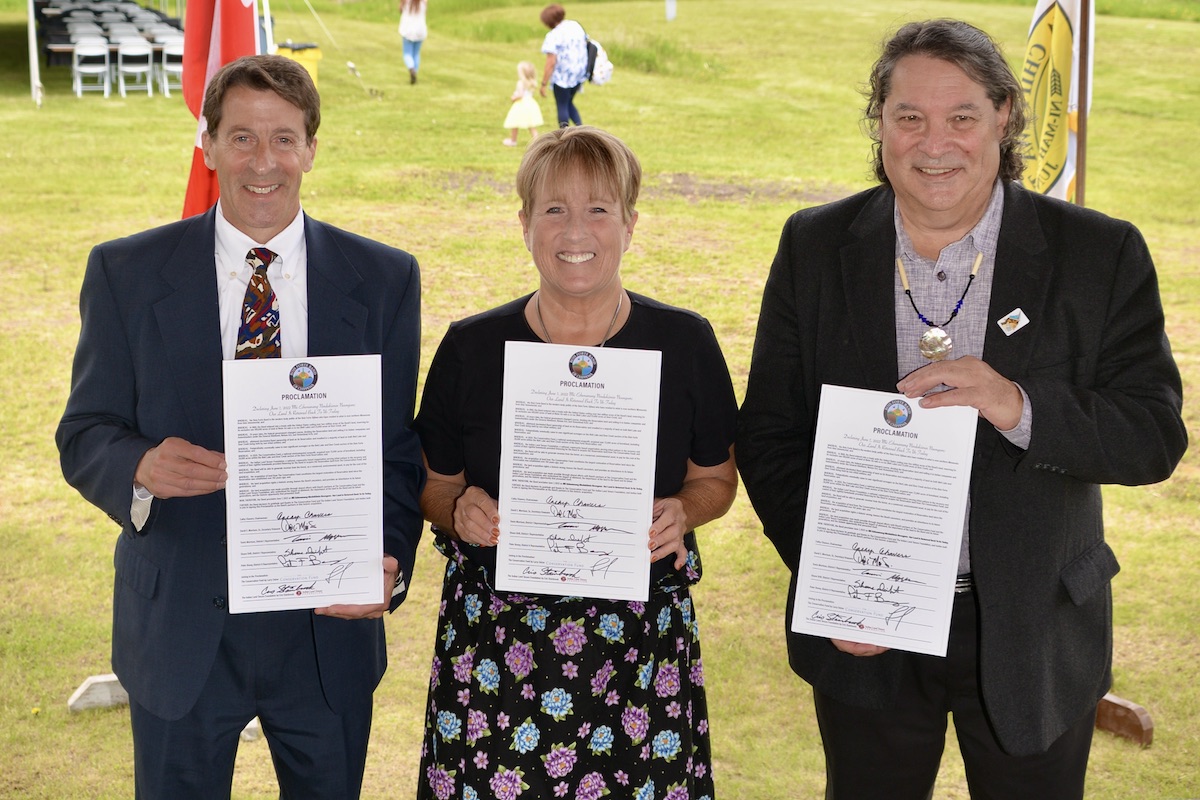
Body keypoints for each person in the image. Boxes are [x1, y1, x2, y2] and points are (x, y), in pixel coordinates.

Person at [736, 18, 1186, 800]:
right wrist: (834, 580)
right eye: (908, 116)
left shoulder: (1099, 253)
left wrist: (1017, 406)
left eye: (962, 117)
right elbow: (772, 436)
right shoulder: (814, 245)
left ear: (1005, 115)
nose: (933, 143)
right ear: (878, 123)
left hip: (1035, 628)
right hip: (867, 628)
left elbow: (1152, 434)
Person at [56, 54, 425, 799]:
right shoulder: (126, 272)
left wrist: (387, 556)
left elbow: (394, 452)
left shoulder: (384, 278)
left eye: (285, 139)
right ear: (209, 144)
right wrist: (139, 465)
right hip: (183, 627)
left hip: (325, 631)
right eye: (244, 138)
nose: (265, 162)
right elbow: (84, 432)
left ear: (312, 149)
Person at [413, 126, 737, 800]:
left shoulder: (685, 343)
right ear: (524, 223)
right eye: (553, 208)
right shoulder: (471, 348)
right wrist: (456, 509)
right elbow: (435, 482)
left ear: (631, 222)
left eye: (598, 208)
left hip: (639, 651)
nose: (575, 229)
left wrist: (685, 510)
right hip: (499, 647)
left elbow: (715, 478)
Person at [538, 3, 588, 128]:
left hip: (563, 77)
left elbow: (551, 62)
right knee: (569, 102)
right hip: (579, 73)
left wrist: (544, 83)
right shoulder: (575, 26)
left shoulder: (553, 35)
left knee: (562, 105)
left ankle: (564, 134)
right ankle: (582, 129)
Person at [502, 60, 544, 147]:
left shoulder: (521, 83)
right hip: (530, 104)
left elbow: (520, 95)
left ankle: (513, 140)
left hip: (521, 105)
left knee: (515, 123)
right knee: (531, 125)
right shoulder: (532, 83)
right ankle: (537, 141)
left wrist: (514, 98)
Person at [399, 0, 428, 84]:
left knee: (407, 53)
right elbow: (425, 12)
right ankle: (415, 71)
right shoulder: (423, 1)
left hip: (408, 30)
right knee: (416, 53)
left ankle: (411, 68)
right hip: (420, 30)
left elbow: (400, 10)